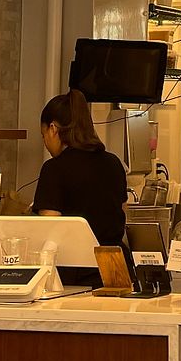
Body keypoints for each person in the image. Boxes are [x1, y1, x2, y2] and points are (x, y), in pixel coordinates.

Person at [33, 89, 128, 246]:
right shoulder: (114, 163)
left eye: (44, 135)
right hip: (115, 258)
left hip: (77, 259)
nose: (45, 143)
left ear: (53, 129)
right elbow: (122, 215)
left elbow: (51, 230)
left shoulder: (54, 169)